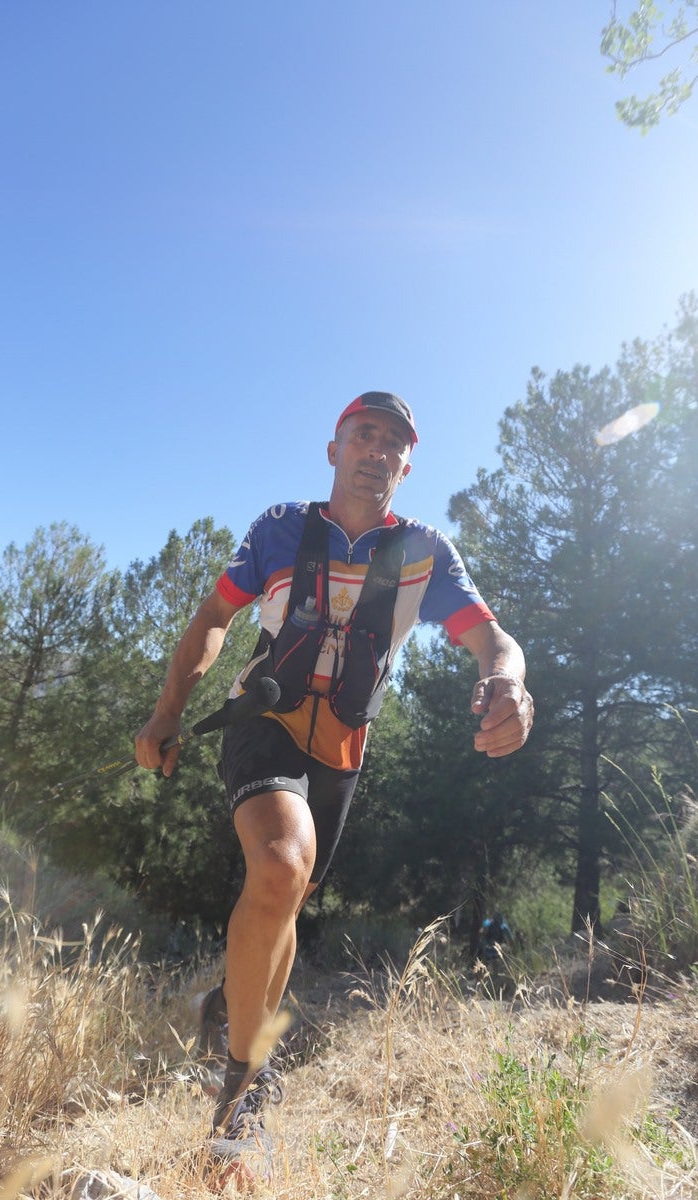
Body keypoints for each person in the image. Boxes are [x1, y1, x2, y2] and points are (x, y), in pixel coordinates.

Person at [135, 391, 534, 1184]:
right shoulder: (281, 526)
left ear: (408, 464)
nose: (377, 450)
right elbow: (215, 615)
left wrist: (510, 685)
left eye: (394, 442)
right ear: (334, 449)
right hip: (265, 722)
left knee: (286, 897)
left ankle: (235, 1014)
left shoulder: (425, 551)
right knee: (281, 866)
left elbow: (492, 640)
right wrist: (167, 713)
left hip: (344, 752)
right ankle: (240, 1097)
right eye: (364, 435)